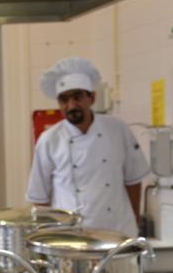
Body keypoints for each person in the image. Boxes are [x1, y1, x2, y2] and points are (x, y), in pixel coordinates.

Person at [26, 56, 151, 237]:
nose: (71, 105)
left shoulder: (118, 129)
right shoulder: (49, 140)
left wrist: (134, 223)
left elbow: (133, 181)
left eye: (77, 97)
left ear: (92, 98)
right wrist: (47, 238)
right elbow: (40, 198)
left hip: (117, 231)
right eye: (64, 100)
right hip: (70, 236)